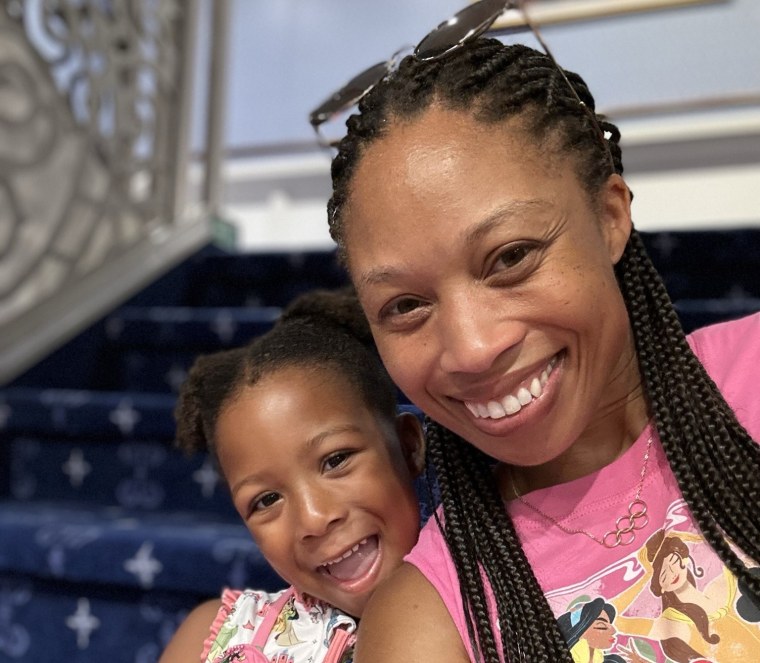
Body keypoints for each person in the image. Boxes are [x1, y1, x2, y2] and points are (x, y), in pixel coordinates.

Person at [315, 1, 760, 661]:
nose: (471, 347)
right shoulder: (425, 618)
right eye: (405, 305)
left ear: (610, 216)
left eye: (511, 257)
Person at [158, 288, 425, 663]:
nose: (314, 518)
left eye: (335, 461)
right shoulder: (215, 635)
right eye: (266, 500)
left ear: (408, 446)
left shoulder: (503, 604)